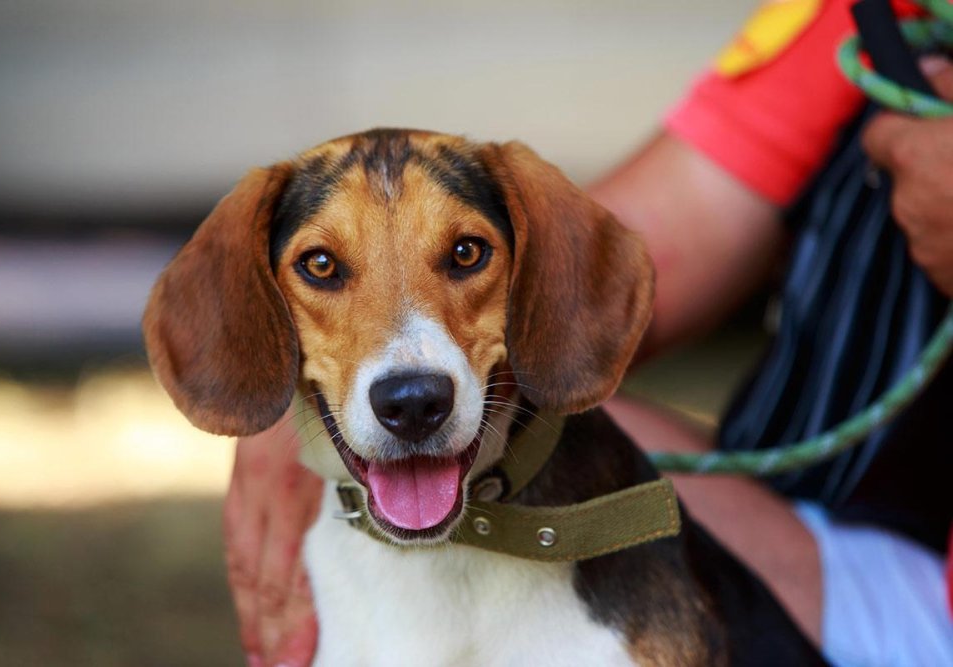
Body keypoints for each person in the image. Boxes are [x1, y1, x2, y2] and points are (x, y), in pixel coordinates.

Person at [223, 1, 953, 665]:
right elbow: (615, 264)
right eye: (322, 264)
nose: (407, 361)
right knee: (563, 398)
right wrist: (278, 367)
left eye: (465, 253)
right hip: (895, 569)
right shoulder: (875, 14)